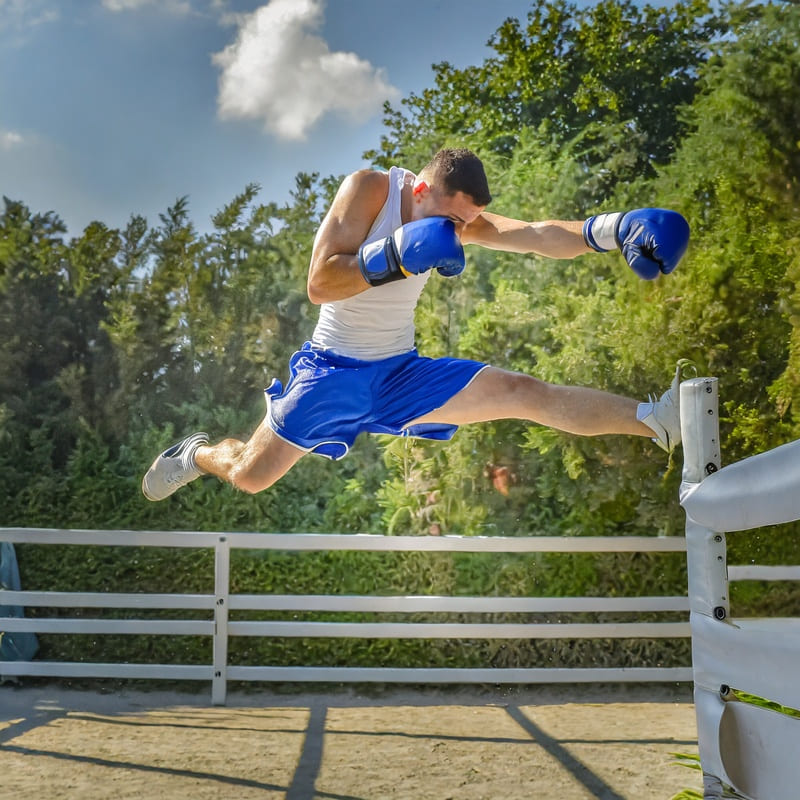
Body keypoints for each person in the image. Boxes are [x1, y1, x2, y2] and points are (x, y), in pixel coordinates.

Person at [142, 148, 690, 502]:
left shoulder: (456, 218)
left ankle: (658, 421)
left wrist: (615, 229)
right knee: (249, 477)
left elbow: (536, 233)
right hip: (331, 372)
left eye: (465, 225)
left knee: (525, 390)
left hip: (402, 373)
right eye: (450, 221)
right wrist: (397, 255)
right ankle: (196, 454)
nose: (457, 234)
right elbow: (319, 283)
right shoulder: (369, 190)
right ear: (422, 191)